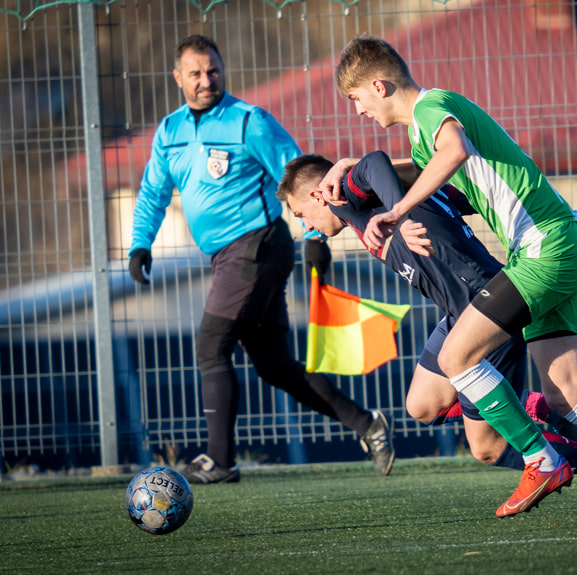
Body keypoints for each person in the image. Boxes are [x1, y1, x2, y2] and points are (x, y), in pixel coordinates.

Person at [320, 34, 577, 519]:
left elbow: (455, 154)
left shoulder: (432, 108)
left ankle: (541, 459)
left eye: (355, 99)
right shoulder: (426, 130)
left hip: (541, 251)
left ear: (378, 86)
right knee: (567, 394)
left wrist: (398, 211)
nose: (358, 111)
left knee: (457, 355)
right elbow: (491, 166)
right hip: (558, 242)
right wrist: (346, 165)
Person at [278, 151, 577, 519]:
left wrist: (399, 214)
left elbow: (374, 162)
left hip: (485, 309)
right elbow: (483, 197)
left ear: (317, 196)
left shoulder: (344, 193)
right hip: (461, 311)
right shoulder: (396, 193)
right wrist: (564, 219)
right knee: (421, 406)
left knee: (488, 447)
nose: (304, 225)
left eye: (300, 215)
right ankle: (538, 407)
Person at [127, 34, 394, 484]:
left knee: (211, 345)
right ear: (178, 78)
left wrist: (315, 233)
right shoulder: (169, 132)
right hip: (228, 256)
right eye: (195, 73)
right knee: (273, 365)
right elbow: (153, 192)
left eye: (212, 70)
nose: (206, 80)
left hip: (257, 245)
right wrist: (139, 243)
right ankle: (368, 425)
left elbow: (299, 175)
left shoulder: (249, 121)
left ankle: (220, 461)